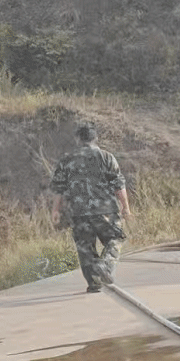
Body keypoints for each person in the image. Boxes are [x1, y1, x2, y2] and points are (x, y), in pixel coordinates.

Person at [49, 124, 131, 293]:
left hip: (78, 213)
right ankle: (106, 265)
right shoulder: (106, 157)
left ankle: (94, 283)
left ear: (77, 139)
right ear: (96, 139)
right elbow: (119, 184)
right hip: (105, 211)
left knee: (85, 248)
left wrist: (55, 210)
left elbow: (58, 188)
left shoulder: (66, 160)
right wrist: (126, 208)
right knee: (116, 238)